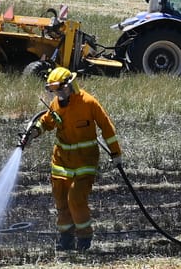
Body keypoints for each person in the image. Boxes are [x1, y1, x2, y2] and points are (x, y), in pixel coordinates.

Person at [19, 67, 122, 253]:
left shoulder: (88, 103)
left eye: (60, 90)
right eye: (54, 91)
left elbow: (107, 127)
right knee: (61, 202)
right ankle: (66, 239)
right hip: (61, 163)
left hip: (85, 162)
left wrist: (116, 153)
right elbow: (46, 122)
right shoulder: (57, 105)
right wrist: (34, 132)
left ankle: (84, 238)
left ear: (71, 85)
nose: (58, 94)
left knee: (75, 199)